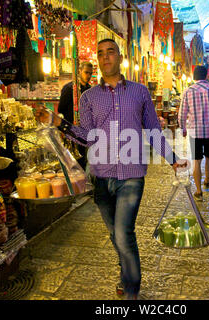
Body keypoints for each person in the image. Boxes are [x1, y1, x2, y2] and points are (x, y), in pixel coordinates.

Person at [35, 39, 187, 300]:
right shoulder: (88, 97)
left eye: (111, 52)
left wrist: (173, 158)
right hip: (101, 176)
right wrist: (57, 122)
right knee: (114, 234)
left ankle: (131, 292)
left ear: (120, 56)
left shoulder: (139, 93)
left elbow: (152, 130)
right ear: (98, 60)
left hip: (131, 175)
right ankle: (124, 273)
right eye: (101, 54)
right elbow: (86, 137)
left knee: (122, 232)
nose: (106, 57)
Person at [179, 65, 209, 201]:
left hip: (194, 132)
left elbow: (182, 113)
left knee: (196, 161)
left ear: (194, 76)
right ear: (206, 75)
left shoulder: (188, 91)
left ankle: (199, 191)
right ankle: (207, 179)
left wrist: (183, 128)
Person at [58, 61, 93, 170]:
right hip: (71, 130)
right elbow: (61, 109)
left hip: (84, 131)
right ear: (79, 72)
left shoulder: (90, 90)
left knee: (84, 160)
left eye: (90, 73)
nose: (88, 76)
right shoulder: (69, 89)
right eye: (86, 73)